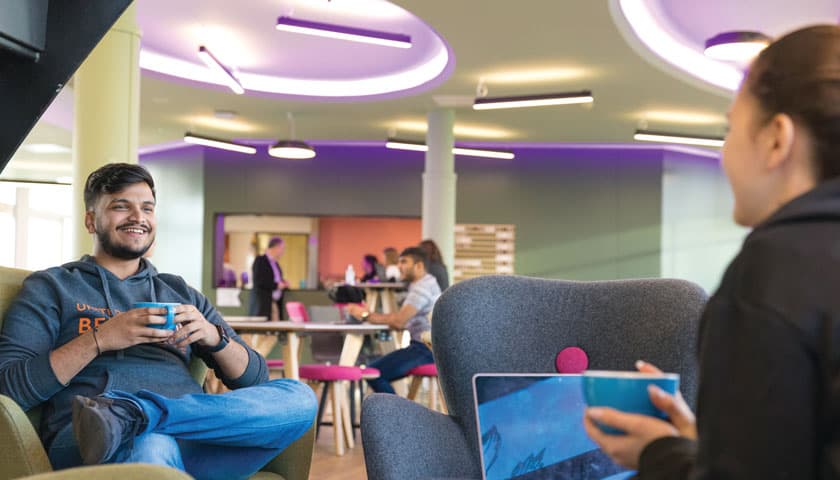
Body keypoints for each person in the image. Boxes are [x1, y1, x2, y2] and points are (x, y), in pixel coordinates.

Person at [583, 25, 840, 478]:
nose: (724, 152)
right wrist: (716, 441)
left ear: (777, 139)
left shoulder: (768, 276)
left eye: (731, 129)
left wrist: (659, 453)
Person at [0, 163, 316, 478]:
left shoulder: (181, 293)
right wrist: (101, 339)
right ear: (90, 221)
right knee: (151, 444)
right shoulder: (53, 287)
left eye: (147, 208)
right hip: (92, 441)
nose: (138, 217)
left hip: (192, 435)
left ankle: (136, 414)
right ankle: (129, 421)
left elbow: (255, 380)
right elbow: (10, 387)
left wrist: (212, 337)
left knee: (299, 397)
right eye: (120, 207)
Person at [346, 247, 440, 394]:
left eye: (404, 262)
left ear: (419, 266)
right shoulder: (423, 284)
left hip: (425, 350)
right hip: (425, 347)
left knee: (374, 373)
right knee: (374, 370)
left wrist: (364, 314)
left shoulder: (422, 287)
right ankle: (397, 413)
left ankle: (396, 415)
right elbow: (399, 319)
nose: (399, 266)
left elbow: (398, 321)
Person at [249, 236, 288, 321]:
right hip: (263, 304)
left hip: (274, 302)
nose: (283, 251)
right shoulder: (260, 260)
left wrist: (283, 283)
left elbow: (275, 279)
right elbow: (259, 281)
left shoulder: (275, 264)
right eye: (282, 248)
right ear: (276, 247)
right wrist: (277, 285)